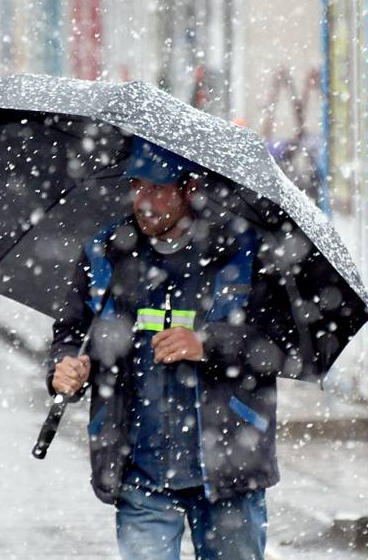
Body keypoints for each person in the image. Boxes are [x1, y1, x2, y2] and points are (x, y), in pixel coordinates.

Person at [46, 137, 297, 560]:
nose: (145, 202)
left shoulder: (243, 251)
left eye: (159, 189)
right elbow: (71, 333)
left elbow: (277, 344)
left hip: (227, 469)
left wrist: (207, 343)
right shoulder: (105, 252)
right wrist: (63, 368)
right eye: (138, 186)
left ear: (190, 188)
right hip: (139, 472)